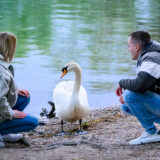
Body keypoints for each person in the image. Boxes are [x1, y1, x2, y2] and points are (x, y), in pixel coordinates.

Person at [116, 30, 160, 145]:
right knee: (126, 106)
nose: (128, 49)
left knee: (130, 95)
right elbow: (148, 85)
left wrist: (122, 83)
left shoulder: (152, 58)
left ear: (136, 47)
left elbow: (139, 86)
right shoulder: (150, 55)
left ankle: (151, 133)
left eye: (129, 46)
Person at [0, 32, 39, 148]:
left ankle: (5, 132)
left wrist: (14, 92)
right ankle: (3, 129)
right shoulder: (1, 72)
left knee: (24, 98)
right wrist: (11, 114)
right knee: (33, 122)